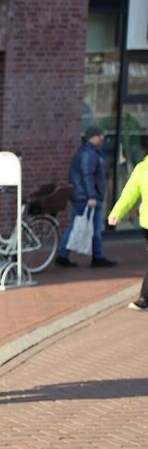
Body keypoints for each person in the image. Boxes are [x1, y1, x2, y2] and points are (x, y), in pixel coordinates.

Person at [57, 125, 117, 268]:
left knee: (78, 226)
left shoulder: (88, 152)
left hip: (82, 196)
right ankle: (96, 256)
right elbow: (87, 176)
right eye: (100, 135)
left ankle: (65, 254)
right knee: (90, 228)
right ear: (94, 137)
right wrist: (92, 196)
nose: (102, 138)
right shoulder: (89, 154)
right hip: (87, 198)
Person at [108, 154, 148, 310]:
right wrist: (116, 213)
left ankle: (144, 299)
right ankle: (144, 299)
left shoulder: (141, 168)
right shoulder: (142, 169)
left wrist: (116, 213)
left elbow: (128, 194)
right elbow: (129, 194)